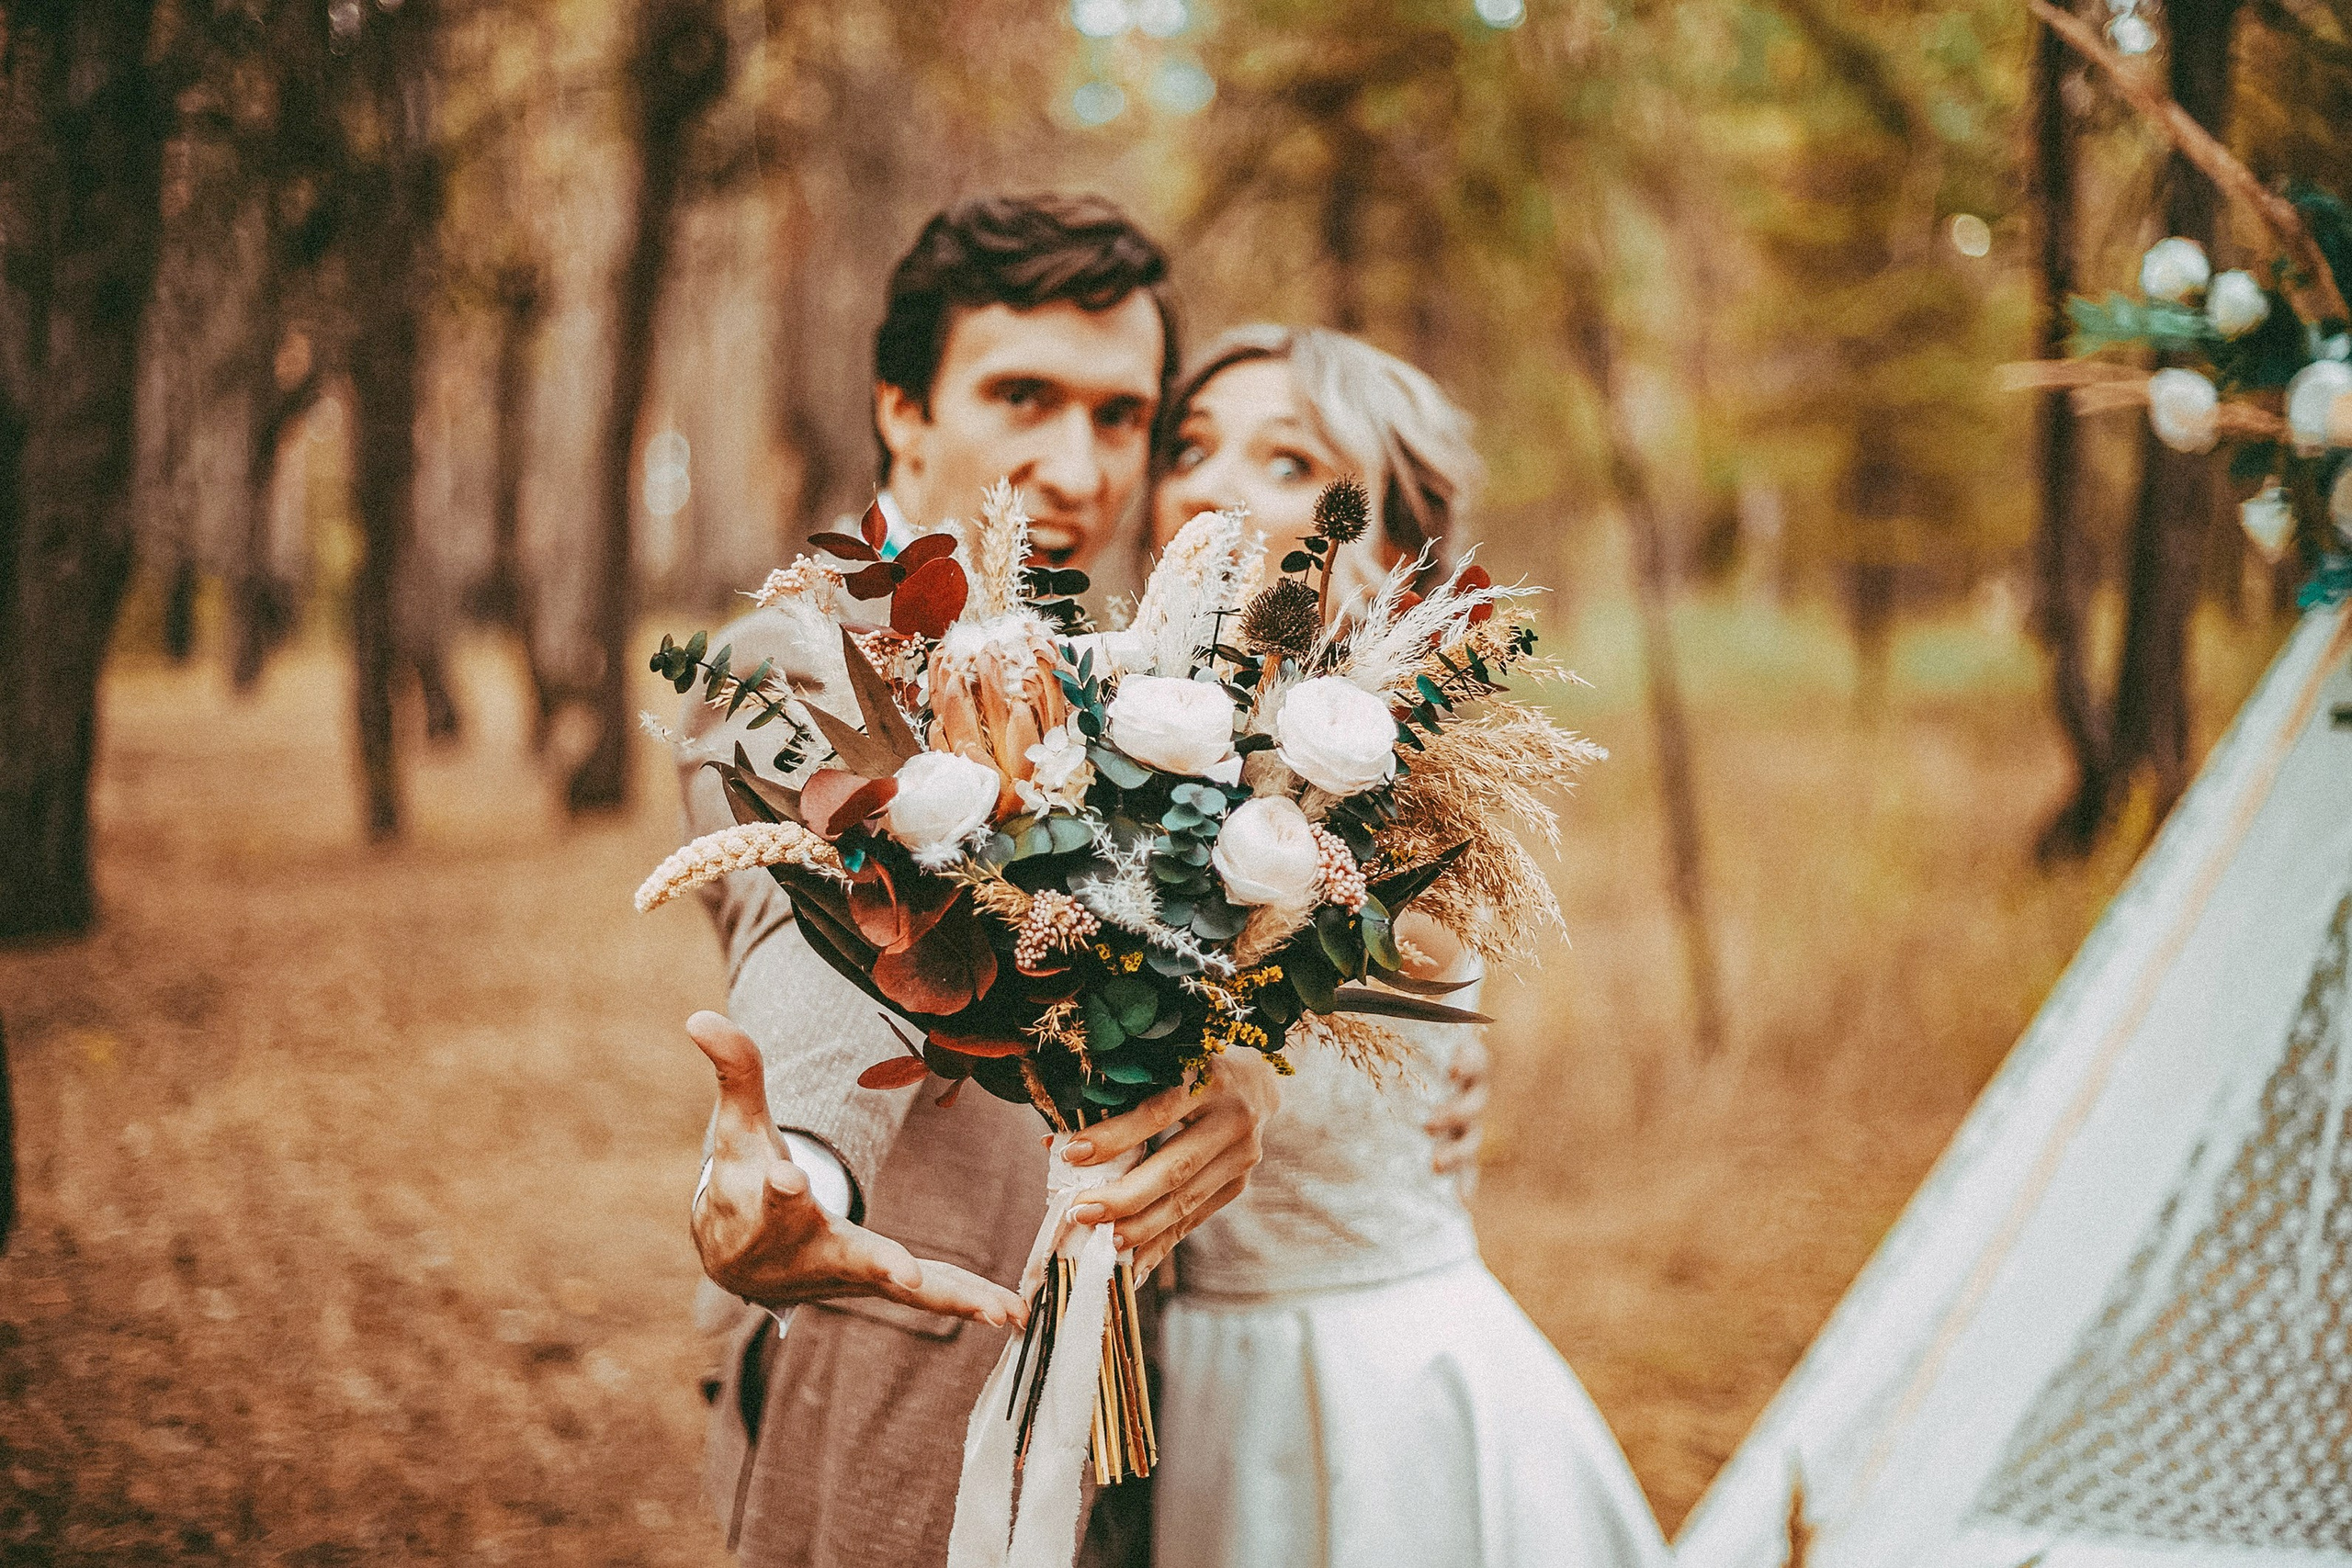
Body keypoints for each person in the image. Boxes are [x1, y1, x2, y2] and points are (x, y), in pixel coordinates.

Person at [676, 195, 1278, 1568]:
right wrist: (809, 1173)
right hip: (901, 1391)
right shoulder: (788, 661)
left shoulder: (1159, 679)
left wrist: (1230, 1089)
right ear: (904, 407)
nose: (1077, 465)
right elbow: (820, 903)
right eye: (1023, 396)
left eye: (1121, 416)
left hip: (1145, 1428)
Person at [1143, 324, 1671, 1568]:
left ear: (1389, 550)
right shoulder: (1160, 750)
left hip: (1354, 1397)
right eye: (1190, 445)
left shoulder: (1408, 803)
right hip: (1201, 1380)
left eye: (1285, 461)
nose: (1205, 484)